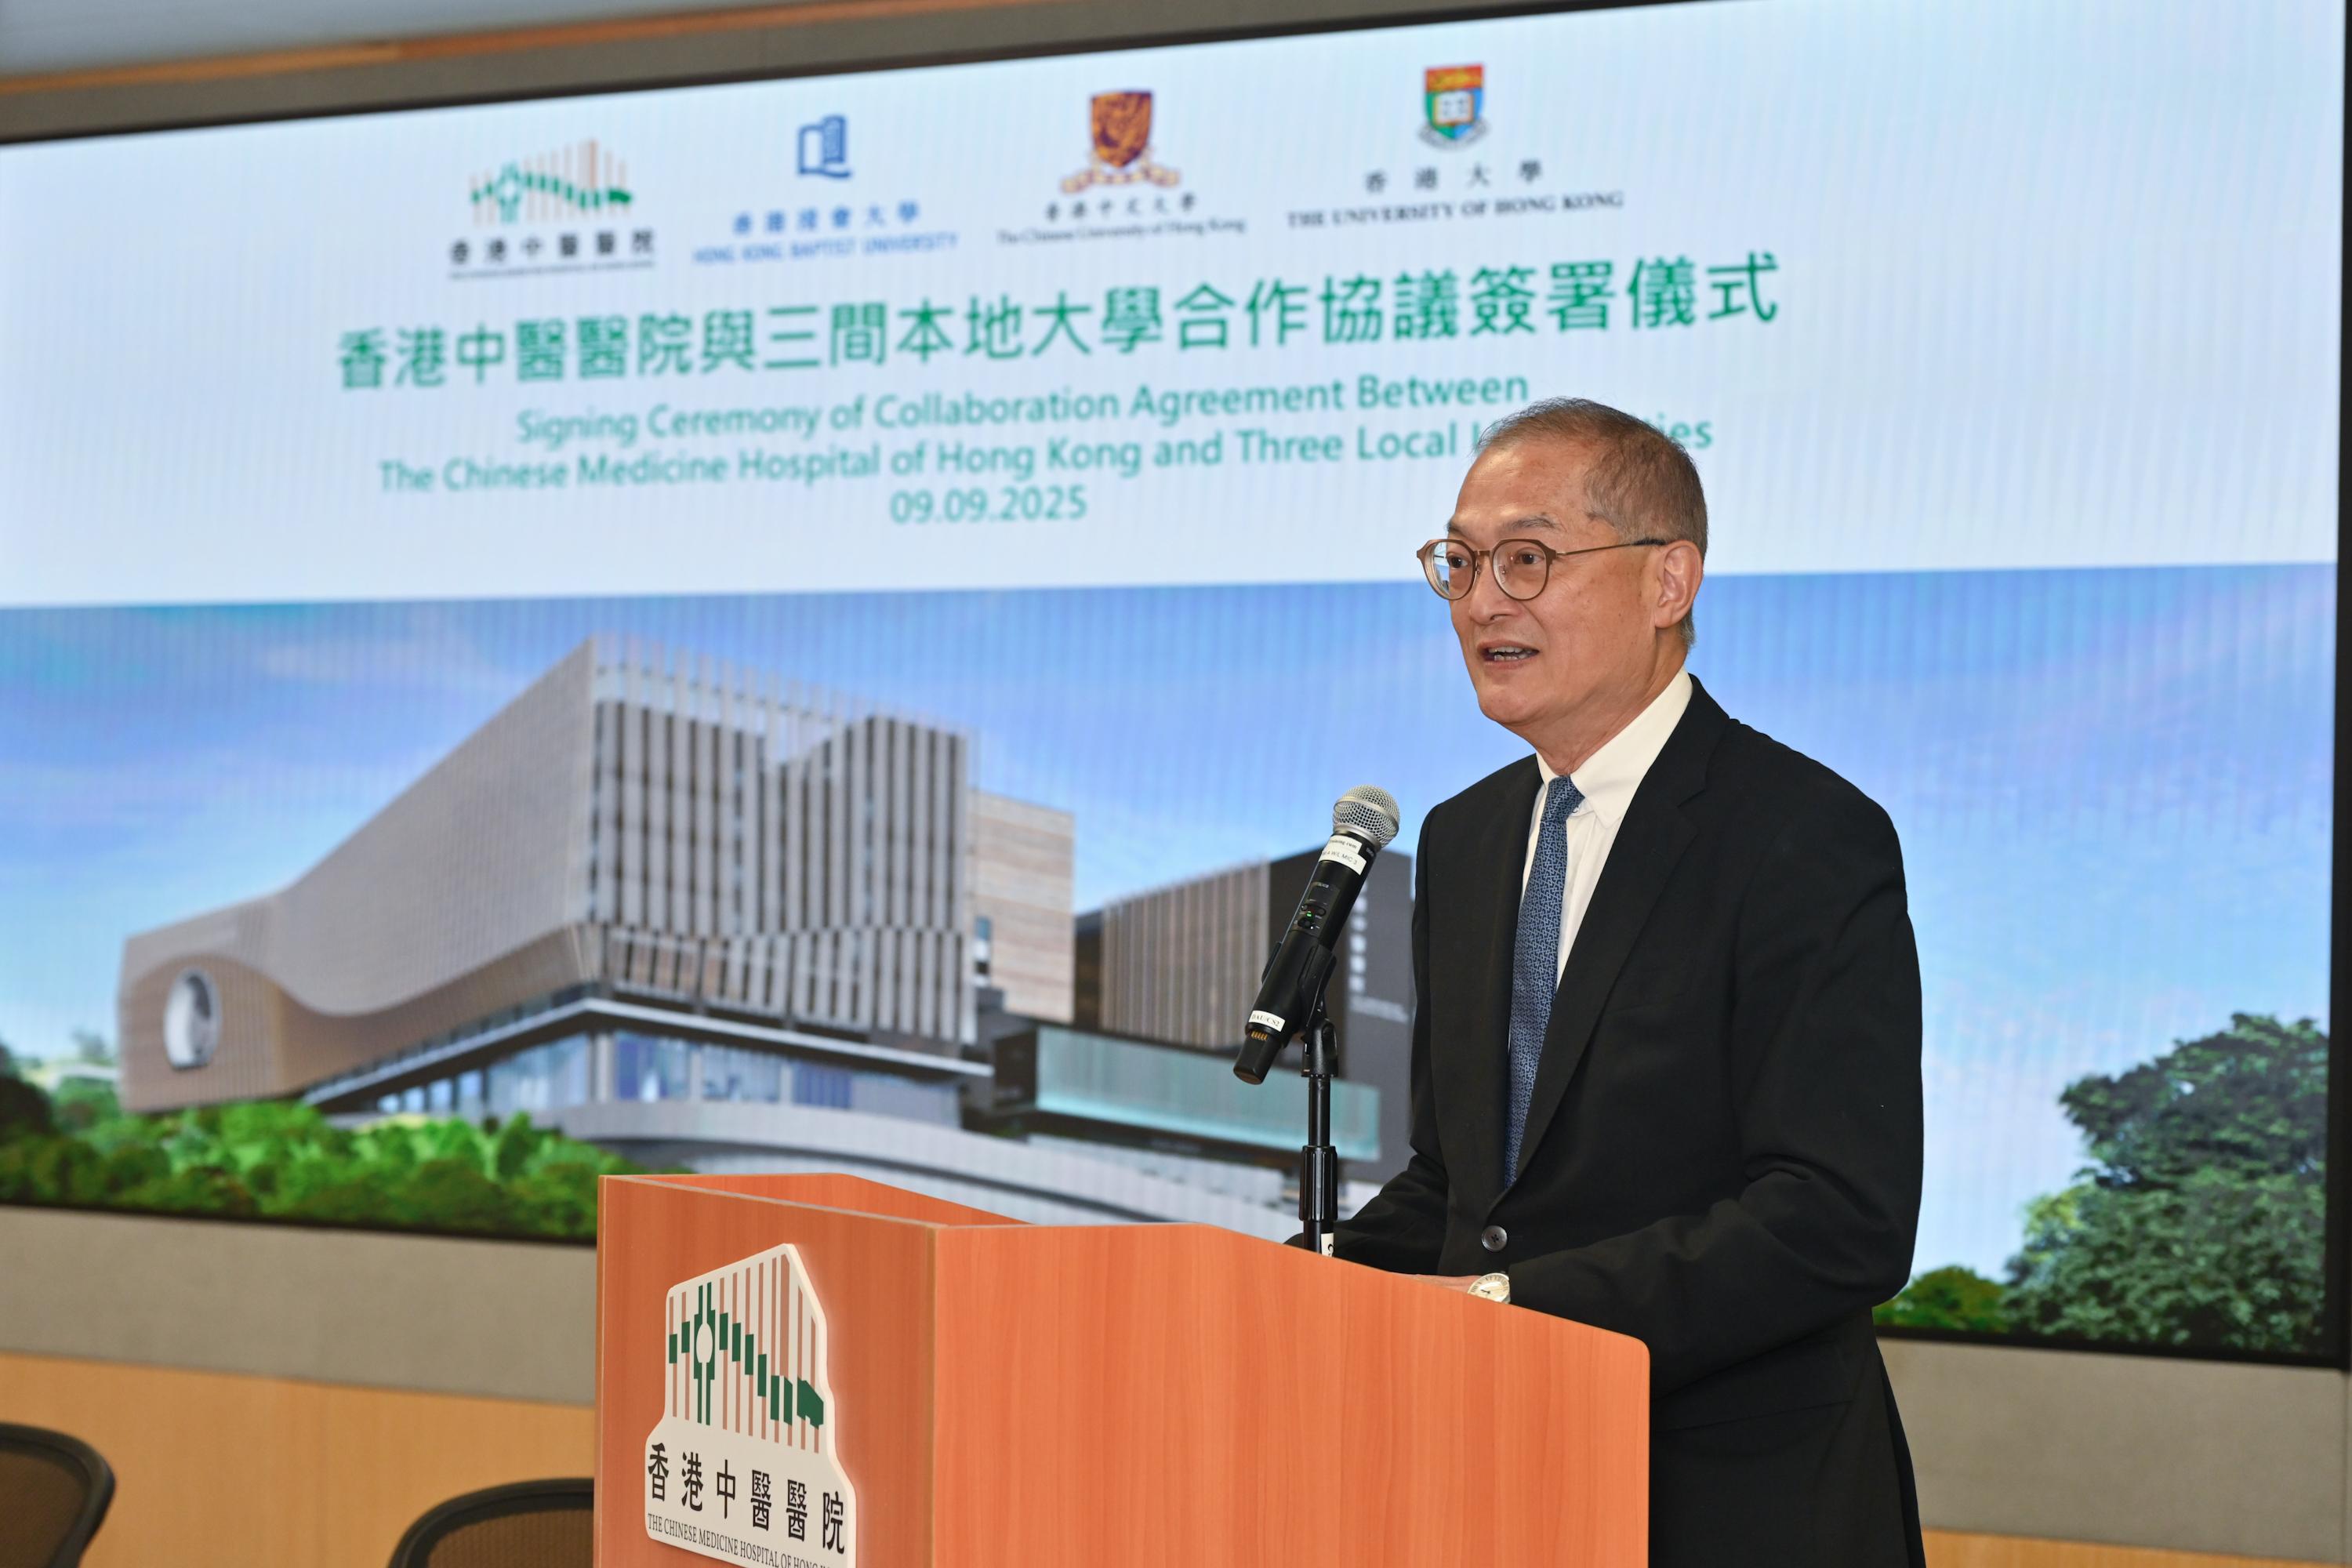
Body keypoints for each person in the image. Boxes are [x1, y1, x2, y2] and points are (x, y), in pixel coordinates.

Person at [1337, 397, 1926, 1566]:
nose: (1482, 601)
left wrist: (1506, 1308)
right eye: (1461, 562)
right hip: (1499, 1482)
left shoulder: (1802, 833)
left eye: (1528, 558)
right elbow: (1458, 1185)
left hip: (1736, 1500)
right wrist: (1287, 1298)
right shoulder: (1464, 838)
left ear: (1669, 581)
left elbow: (1836, 1218)